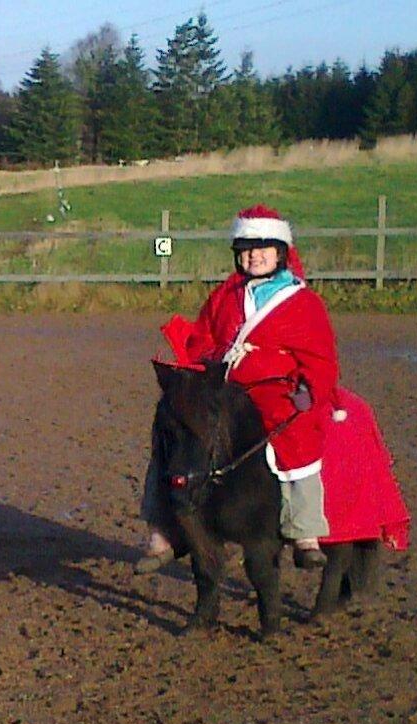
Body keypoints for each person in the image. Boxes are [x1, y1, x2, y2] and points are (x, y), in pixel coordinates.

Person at [136, 204, 338, 573]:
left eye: (263, 248)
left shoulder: (303, 303)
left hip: (274, 391)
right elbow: (202, 339)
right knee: (175, 431)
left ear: (281, 253)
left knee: (297, 436)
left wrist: (311, 390)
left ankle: (304, 529)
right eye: (247, 249)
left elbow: (322, 358)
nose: (255, 255)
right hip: (223, 387)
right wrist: (209, 360)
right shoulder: (224, 297)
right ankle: (163, 527)